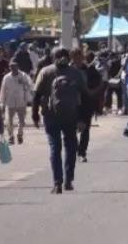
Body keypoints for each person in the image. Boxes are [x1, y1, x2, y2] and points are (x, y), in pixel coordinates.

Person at [32, 47, 88, 193]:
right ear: (68, 57)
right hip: (71, 115)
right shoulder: (76, 73)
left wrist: (35, 115)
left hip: (51, 115)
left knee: (54, 148)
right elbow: (85, 97)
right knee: (70, 147)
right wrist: (82, 118)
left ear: (52, 56)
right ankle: (68, 180)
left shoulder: (46, 71)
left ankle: (57, 182)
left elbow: (36, 95)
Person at [73, 49, 103, 161]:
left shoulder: (89, 70)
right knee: (71, 129)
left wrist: (93, 92)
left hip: (86, 103)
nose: (78, 59)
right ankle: (75, 149)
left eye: (80, 57)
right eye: (76, 57)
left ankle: (82, 152)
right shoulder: (67, 70)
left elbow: (100, 83)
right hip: (71, 104)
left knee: (85, 129)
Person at [0, 60, 33, 144]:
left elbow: (30, 86)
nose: (13, 69)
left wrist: (24, 83)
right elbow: (3, 90)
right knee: (9, 121)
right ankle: (11, 136)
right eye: (11, 68)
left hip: (21, 101)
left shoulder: (23, 76)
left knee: (21, 121)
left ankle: (19, 134)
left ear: (17, 67)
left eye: (15, 67)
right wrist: (2, 103)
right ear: (9, 68)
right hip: (10, 102)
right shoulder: (6, 77)